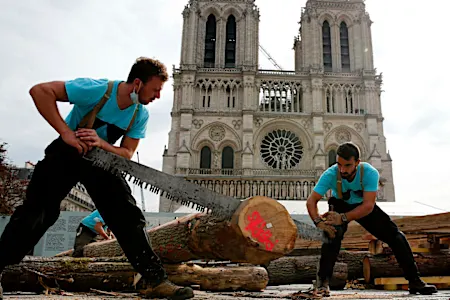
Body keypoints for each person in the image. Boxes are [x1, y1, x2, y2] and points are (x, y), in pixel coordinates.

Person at [0, 57, 194, 299]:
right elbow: (40, 91)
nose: (157, 96)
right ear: (137, 83)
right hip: (66, 153)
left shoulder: (140, 115)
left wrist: (101, 143)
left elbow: (126, 153)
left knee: (127, 216)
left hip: (101, 160)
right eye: (155, 89)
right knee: (38, 213)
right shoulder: (97, 89)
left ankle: (153, 279)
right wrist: (66, 133)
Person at [306, 142, 437, 297]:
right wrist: (318, 222)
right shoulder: (330, 174)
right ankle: (322, 283)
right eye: (339, 165)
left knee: (396, 237)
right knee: (331, 237)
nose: (343, 170)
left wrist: (343, 218)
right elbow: (311, 201)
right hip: (339, 204)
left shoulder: (369, 173)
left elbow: (368, 206)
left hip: (363, 206)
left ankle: (414, 281)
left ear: (357, 162)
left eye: (348, 165)